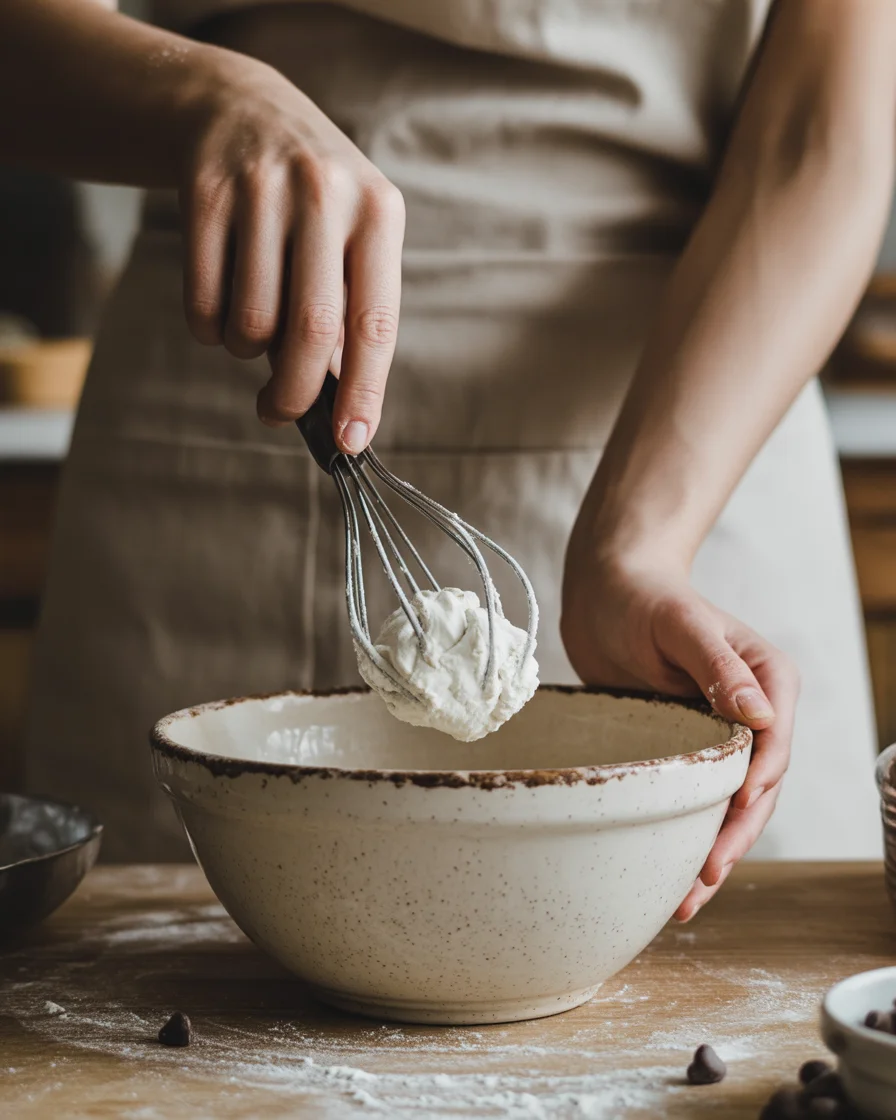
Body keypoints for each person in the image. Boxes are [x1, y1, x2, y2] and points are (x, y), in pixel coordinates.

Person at [2, 0, 892, 918]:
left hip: (700, 419)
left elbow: (819, 140)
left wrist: (644, 546)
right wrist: (205, 95)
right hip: (231, 380)